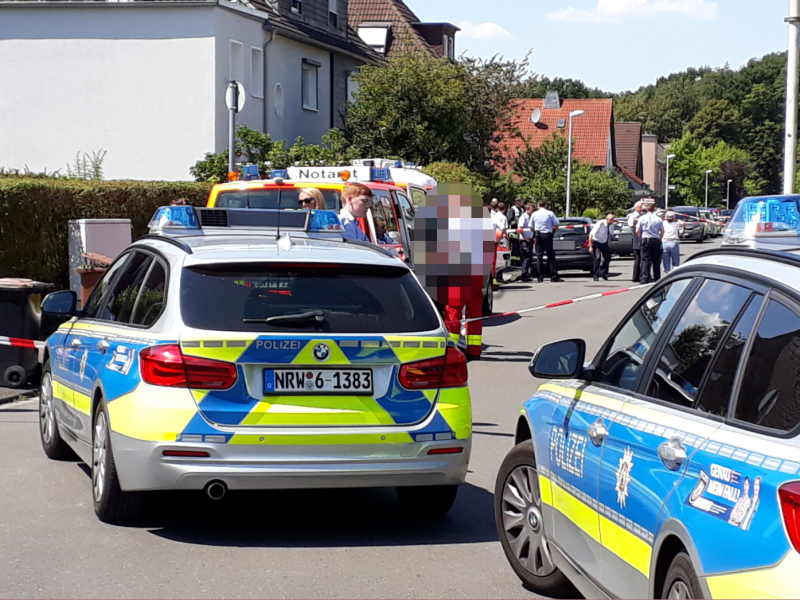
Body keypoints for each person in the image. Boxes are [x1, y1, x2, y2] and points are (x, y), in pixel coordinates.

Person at [533, 200, 562, 283]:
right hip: (548, 235)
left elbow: (531, 226)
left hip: (538, 235)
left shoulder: (534, 214)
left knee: (539, 257)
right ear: (545, 205)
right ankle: (553, 276)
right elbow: (556, 224)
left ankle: (540, 277)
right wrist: (553, 233)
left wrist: (535, 233)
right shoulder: (550, 213)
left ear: (538, 205)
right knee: (551, 257)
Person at [637, 203, 665, 283]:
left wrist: (641, 238)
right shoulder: (658, 219)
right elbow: (662, 231)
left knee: (645, 260)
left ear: (646, 209)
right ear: (653, 210)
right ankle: (657, 277)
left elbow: (637, 230)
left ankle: (645, 278)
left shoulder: (642, 218)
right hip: (655, 240)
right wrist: (659, 237)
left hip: (646, 239)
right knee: (656, 260)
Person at [589, 213, 614, 281]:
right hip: (597, 242)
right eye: (611, 220)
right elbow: (591, 235)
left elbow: (611, 234)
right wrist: (590, 246)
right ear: (607, 219)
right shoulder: (600, 224)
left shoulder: (611, 225)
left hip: (605, 242)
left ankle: (603, 273)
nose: (612, 221)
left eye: (613, 220)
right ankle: (595, 275)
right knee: (597, 258)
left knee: (608, 258)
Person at [517, 202, 536, 281]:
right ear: (527, 209)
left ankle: (527, 274)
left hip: (530, 239)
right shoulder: (523, 217)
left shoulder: (530, 216)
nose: (532, 211)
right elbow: (520, 229)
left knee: (529, 258)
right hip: (524, 240)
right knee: (526, 257)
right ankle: (524, 274)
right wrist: (525, 238)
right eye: (532, 209)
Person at [628, 201, 644, 282]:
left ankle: (640, 275)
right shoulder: (633, 216)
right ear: (637, 207)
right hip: (637, 240)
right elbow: (631, 225)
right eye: (641, 207)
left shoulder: (642, 216)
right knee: (638, 258)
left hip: (639, 239)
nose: (642, 208)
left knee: (641, 259)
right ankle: (636, 276)